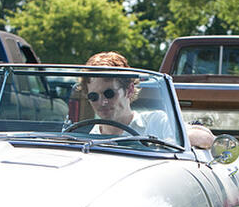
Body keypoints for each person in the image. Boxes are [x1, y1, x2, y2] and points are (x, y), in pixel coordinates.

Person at [83, 51, 215, 149]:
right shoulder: (88, 139)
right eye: (93, 96)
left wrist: (167, 143)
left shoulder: (156, 121)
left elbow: (206, 138)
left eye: (109, 93)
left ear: (129, 90)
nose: (102, 102)